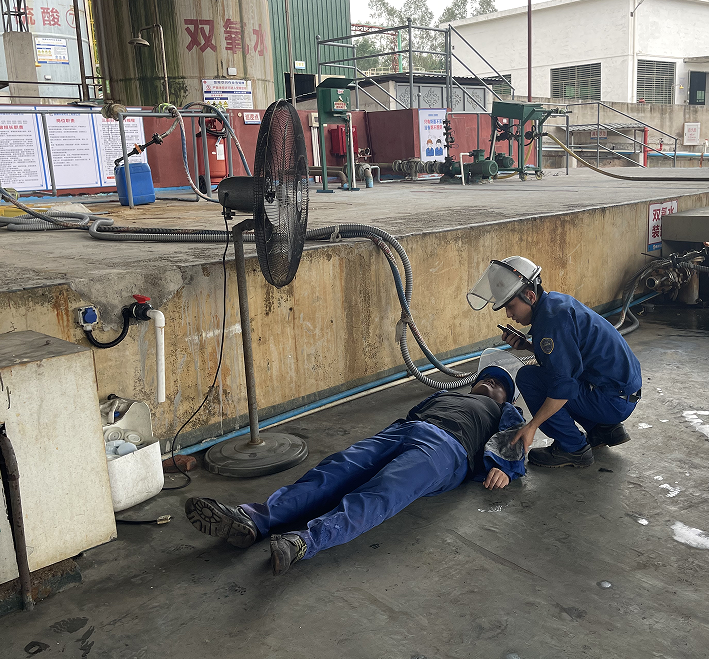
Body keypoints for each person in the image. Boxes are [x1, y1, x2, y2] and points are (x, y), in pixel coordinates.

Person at [185, 351, 527, 576]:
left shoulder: (503, 412)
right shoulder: (446, 394)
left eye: (500, 385)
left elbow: (516, 439)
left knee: (383, 491)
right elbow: (414, 413)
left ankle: (304, 541)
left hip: (446, 450)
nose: (491, 382)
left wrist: (506, 468)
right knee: (335, 471)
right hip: (403, 431)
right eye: (487, 378)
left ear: (507, 398)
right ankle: (254, 519)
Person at [467, 256, 642, 469]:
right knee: (552, 376)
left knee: (529, 378)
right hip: (621, 393)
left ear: (530, 296)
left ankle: (573, 448)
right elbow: (566, 357)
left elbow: (563, 386)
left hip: (613, 401)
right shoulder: (555, 304)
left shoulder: (552, 323)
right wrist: (527, 346)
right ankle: (602, 429)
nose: (509, 314)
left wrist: (532, 426)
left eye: (511, 306)